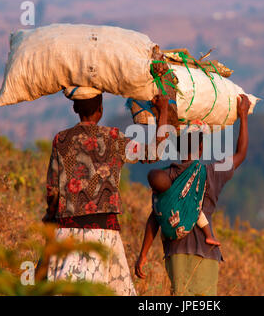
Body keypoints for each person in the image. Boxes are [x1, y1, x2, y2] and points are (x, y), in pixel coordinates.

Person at [42, 88, 170, 296]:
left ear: (74, 108)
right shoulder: (113, 138)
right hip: (103, 231)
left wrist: (49, 228)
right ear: (100, 110)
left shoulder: (61, 140)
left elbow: (52, 190)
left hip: (66, 231)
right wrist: (163, 112)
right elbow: (155, 152)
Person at [135, 94, 252, 296]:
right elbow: (241, 153)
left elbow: (156, 216)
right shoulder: (213, 173)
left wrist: (143, 254)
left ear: (177, 147)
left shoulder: (166, 176)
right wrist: (243, 116)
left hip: (177, 255)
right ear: (201, 146)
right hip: (208, 254)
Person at [147, 168, 220, 246]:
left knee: (162, 217)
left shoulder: (158, 202)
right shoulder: (175, 192)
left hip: (167, 235)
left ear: (154, 191)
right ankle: (209, 236)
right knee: (197, 210)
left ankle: (166, 235)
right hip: (184, 229)